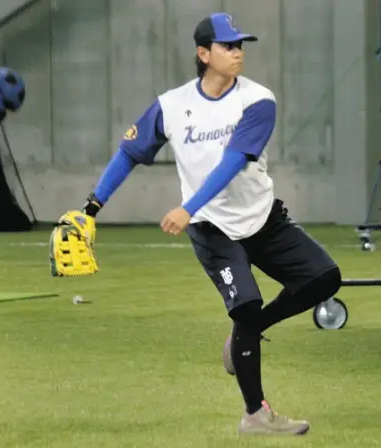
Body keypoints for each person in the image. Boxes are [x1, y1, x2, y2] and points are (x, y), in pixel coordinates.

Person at [76, 13, 342, 435]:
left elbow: (234, 162)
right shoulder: (171, 105)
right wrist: (91, 207)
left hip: (262, 217)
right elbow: (129, 152)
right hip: (211, 227)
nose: (238, 52)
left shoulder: (258, 100)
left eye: (240, 45)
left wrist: (186, 206)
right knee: (246, 304)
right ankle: (255, 414)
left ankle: (249, 333)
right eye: (228, 45)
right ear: (203, 54)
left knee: (325, 278)